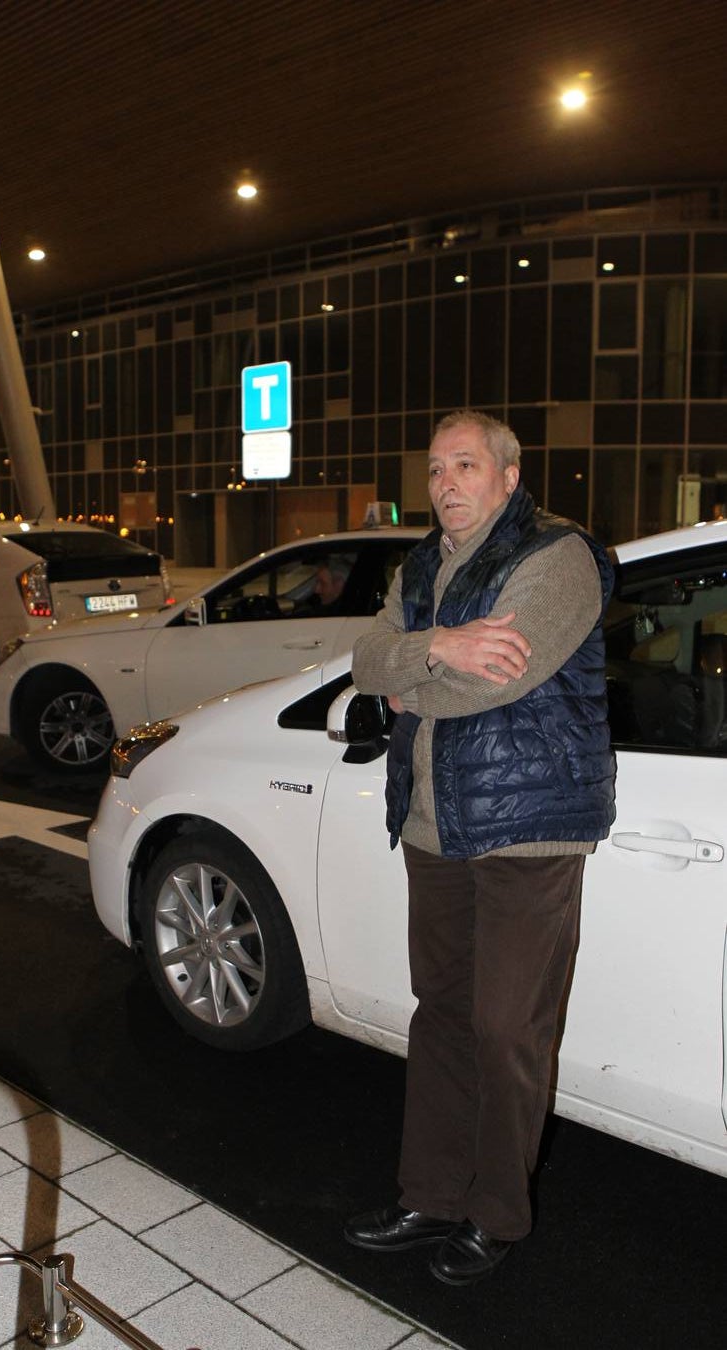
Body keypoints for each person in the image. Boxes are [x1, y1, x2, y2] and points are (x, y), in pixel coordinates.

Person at [345, 410, 616, 1286]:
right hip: (432, 824)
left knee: (507, 1030)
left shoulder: (556, 555)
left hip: (526, 831)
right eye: (434, 470)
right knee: (443, 1015)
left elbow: (498, 679)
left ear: (508, 476)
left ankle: (498, 1213)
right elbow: (366, 657)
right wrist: (436, 647)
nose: (445, 484)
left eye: (465, 466)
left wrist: (414, 672)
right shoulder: (419, 564)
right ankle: (430, 1194)